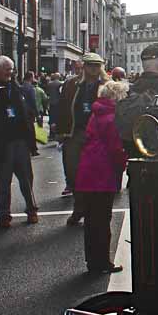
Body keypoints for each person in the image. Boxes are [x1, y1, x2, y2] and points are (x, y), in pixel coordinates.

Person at [74, 80, 129, 274]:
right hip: (102, 172)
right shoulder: (113, 117)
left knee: (91, 220)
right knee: (102, 220)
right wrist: (124, 163)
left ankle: (93, 261)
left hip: (88, 170)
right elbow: (116, 149)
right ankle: (102, 263)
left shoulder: (98, 112)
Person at [0, 55, 39, 227]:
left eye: (11, 69)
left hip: (20, 140)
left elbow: (26, 112)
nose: (10, 73)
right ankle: (4, 216)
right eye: (7, 69)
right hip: (1, 142)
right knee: (3, 181)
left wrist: (31, 140)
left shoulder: (16, 87)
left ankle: (32, 209)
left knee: (26, 179)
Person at [57, 53, 108, 223]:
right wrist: (60, 130)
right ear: (84, 66)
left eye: (97, 65)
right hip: (75, 133)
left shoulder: (107, 86)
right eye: (90, 65)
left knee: (95, 174)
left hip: (98, 136)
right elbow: (62, 107)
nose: (94, 69)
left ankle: (93, 211)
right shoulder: (71, 84)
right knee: (73, 173)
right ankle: (79, 208)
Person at [46, 73, 63, 138]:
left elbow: (47, 93)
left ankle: (51, 133)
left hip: (51, 103)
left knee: (51, 118)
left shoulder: (49, 84)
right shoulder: (61, 84)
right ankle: (57, 133)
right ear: (59, 77)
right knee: (57, 119)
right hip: (58, 104)